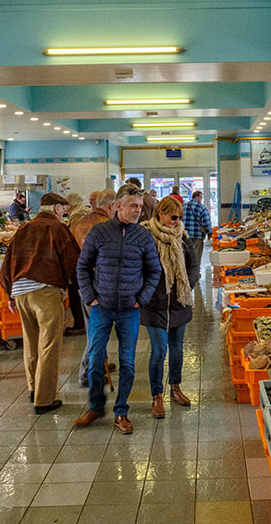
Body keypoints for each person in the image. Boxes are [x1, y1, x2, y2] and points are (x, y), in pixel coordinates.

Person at [74, 184, 161, 434]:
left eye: (140, 207)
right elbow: (82, 267)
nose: (138, 211)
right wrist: (91, 296)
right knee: (94, 359)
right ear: (117, 206)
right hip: (102, 307)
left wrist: (141, 298)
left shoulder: (143, 236)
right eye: (133, 206)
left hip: (129, 310)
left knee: (128, 363)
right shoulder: (99, 233)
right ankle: (95, 406)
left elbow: (154, 270)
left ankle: (121, 411)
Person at [0, 192, 81, 413]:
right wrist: (82, 286)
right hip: (45, 292)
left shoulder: (24, 229)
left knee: (31, 342)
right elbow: (73, 262)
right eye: (63, 209)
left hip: (21, 292)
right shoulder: (57, 229)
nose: (64, 214)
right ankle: (44, 400)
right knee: (49, 345)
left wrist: (9, 294)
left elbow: (7, 263)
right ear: (56, 209)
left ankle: (33, 389)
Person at [142, 196, 195, 418]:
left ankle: (175, 387)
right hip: (154, 305)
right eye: (173, 217)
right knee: (158, 351)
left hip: (178, 303)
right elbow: (138, 267)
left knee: (177, 349)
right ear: (160, 214)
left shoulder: (182, 236)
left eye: (179, 218)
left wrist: (186, 286)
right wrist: (146, 293)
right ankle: (156, 395)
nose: (176, 221)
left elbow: (193, 265)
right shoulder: (145, 236)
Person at [70, 189, 117, 377]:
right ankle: (88, 371)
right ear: (112, 205)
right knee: (98, 330)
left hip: (83, 282)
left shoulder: (79, 223)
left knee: (95, 326)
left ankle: (100, 363)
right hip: (100, 283)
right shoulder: (108, 226)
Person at [183, 190, 211, 285]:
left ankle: (186, 273)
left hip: (185, 236)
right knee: (196, 256)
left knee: (186, 255)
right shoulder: (201, 207)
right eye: (201, 197)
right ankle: (195, 274)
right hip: (197, 235)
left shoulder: (184, 206)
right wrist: (209, 232)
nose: (201, 199)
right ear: (198, 197)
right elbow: (206, 221)